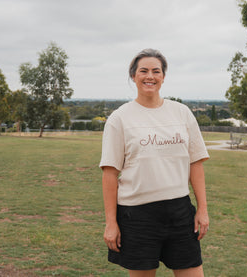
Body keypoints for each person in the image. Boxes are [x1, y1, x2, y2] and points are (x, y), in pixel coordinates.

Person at [99, 48, 210, 277]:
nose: (150, 76)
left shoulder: (182, 113)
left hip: (179, 212)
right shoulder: (119, 118)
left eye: (156, 71)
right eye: (143, 71)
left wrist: (203, 209)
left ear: (163, 77)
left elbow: (195, 164)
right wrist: (111, 223)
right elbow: (110, 174)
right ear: (133, 76)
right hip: (137, 216)